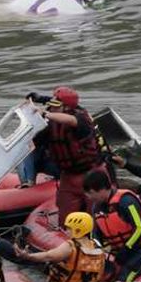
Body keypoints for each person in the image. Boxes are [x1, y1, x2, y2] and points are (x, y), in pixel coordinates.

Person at [37, 87, 105, 224]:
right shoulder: (51, 125)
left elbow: (72, 121)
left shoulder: (82, 119)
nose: (52, 108)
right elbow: (36, 142)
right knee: (65, 216)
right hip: (68, 176)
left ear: (67, 108)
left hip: (90, 173)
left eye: (56, 106)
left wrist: (46, 114)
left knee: (95, 216)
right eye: (51, 105)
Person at [83, 171, 141, 282]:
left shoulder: (126, 201)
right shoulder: (97, 207)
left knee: (125, 278)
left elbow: (139, 228)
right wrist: (98, 250)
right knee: (104, 276)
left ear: (102, 189)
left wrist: (126, 249)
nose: (89, 197)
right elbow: (95, 234)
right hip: (120, 252)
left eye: (90, 193)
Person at [16, 212, 106, 282]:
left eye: (69, 228)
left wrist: (28, 256)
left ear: (78, 230)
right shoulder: (96, 245)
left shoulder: (70, 246)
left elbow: (48, 256)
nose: (66, 231)